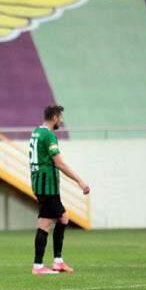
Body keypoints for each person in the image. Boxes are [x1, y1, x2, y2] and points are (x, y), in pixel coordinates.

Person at [28, 104, 90, 275]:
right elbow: (59, 163)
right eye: (60, 118)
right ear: (55, 117)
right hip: (47, 185)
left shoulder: (36, 132)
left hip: (41, 183)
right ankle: (39, 266)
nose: (61, 121)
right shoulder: (48, 135)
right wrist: (80, 181)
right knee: (46, 222)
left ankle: (57, 261)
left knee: (62, 218)